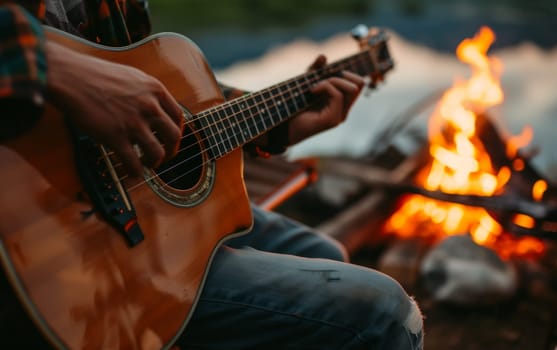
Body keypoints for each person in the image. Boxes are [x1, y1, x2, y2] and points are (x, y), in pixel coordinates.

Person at [0, 1, 424, 349]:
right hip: (47, 250)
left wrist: (279, 121)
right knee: (380, 313)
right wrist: (57, 67)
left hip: (130, 216)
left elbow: (156, 89)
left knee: (322, 253)